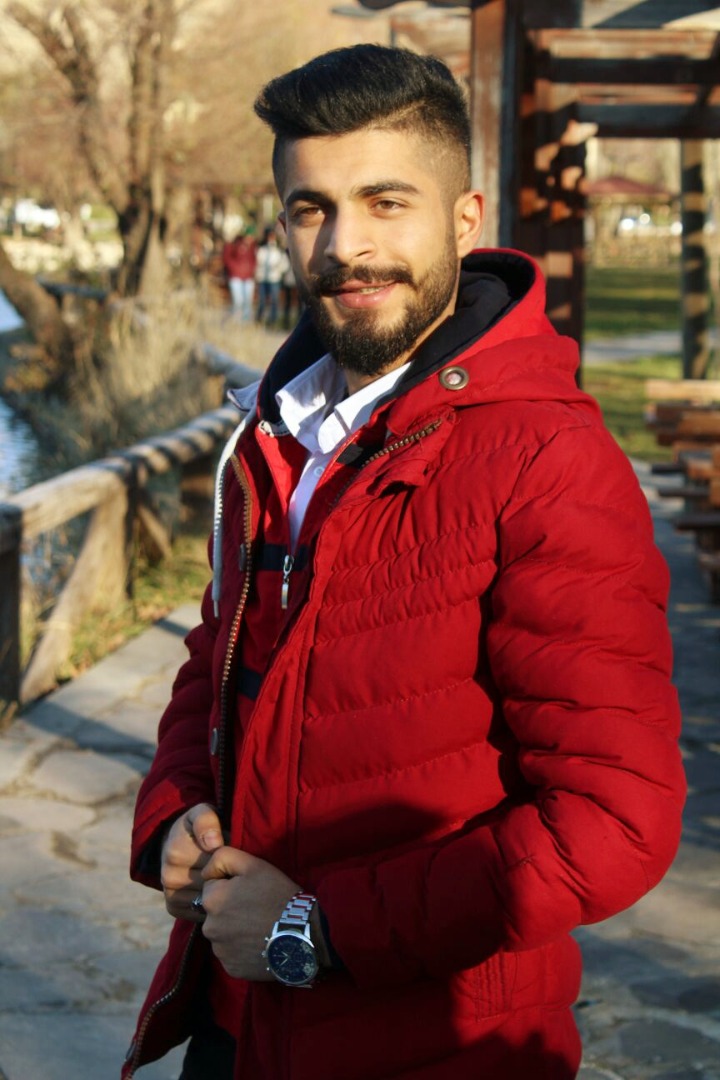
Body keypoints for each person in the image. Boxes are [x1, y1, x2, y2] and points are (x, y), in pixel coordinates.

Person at [124, 45, 685, 1080]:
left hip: (434, 1042)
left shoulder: (547, 458)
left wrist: (315, 929)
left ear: (464, 221)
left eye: (387, 203)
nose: (346, 246)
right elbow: (220, 650)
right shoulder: (280, 432)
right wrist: (172, 810)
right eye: (311, 209)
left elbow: (614, 822)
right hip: (238, 1024)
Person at [254, 225, 289, 325]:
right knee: (262, 300)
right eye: (269, 236)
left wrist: (278, 269)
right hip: (262, 278)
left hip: (274, 278)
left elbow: (284, 265)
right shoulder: (261, 249)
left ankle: (273, 320)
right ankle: (259, 319)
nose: (271, 238)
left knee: (274, 300)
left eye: (273, 236)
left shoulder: (278, 250)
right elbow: (257, 262)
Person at [222, 230, 256, 320]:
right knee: (238, 300)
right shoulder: (235, 245)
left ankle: (246, 321)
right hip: (236, 276)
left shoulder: (252, 247)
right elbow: (227, 258)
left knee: (247, 301)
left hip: (248, 277)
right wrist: (234, 268)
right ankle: (236, 320)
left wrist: (251, 269)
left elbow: (254, 260)